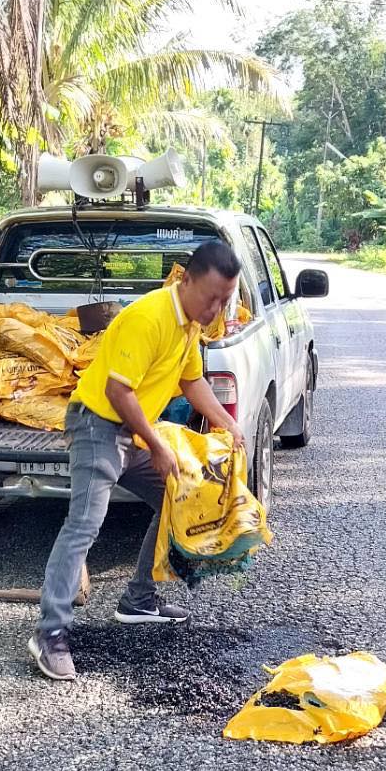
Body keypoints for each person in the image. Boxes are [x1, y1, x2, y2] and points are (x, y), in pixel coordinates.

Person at [28, 239, 245, 683]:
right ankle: (49, 633)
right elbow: (117, 391)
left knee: (175, 495)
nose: (216, 310)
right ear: (186, 280)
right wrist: (158, 445)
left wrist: (228, 423)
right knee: (85, 523)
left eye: (225, 300)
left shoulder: (191, 324)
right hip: (98, 426)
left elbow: (192, 381)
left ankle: (139, 601)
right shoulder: (149, 317)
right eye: (211, 299)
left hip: (132, 429)